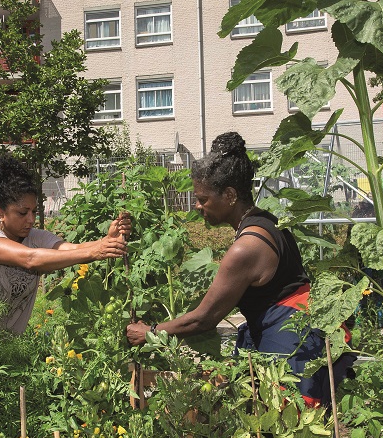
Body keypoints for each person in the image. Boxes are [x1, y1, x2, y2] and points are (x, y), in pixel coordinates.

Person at [126, 132, 347, 406]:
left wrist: (150, 330)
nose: (197, 207)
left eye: (203, 199)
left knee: (286, 432)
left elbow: (203, 319)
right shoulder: (265, 221)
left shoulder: (246, 247)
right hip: (298, 328)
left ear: (230, 195)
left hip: (289, 341)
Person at [0, 154, 131, 334]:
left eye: (34, 211)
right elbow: (29, 259)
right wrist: (96, 251)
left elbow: (71, 249)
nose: (30, 219)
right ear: (0, 213)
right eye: (22, 212)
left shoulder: (36, 238)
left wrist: (106, 241)